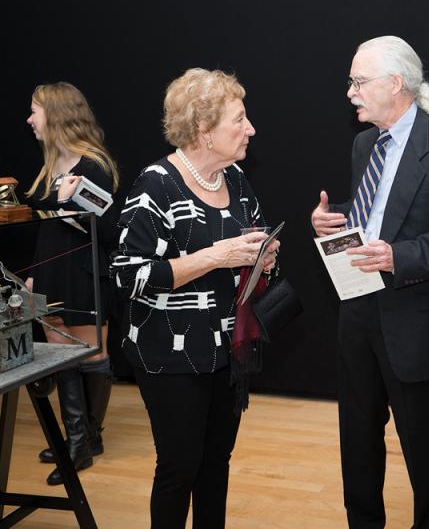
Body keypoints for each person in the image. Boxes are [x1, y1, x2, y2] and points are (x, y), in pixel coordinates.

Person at [311, 36, 429, 529]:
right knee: (357, 435)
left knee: (421, 444)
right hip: (357, 308)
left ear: (395, 83)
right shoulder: (364, 143)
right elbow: (376, 213)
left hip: (415, 318)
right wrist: (332, 219)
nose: (350, 92)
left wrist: (398, 256)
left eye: (358, 81)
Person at [111, 68, 279, 529]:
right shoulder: (156, 185)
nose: (251, 129)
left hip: (228, 350)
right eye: (239, 120)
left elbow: (252, 245)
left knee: (216, 462)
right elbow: (128, 275)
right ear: (204, 131)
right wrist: (216, 256)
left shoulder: (236, 179)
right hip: (169, 354)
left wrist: (264, 257)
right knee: (179, 467)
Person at [25, 82, 119, 486]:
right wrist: (35, 273)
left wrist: (68, 204)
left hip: (82, 272)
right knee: (62, 356)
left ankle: (83, 442)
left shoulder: (94, 166)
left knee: (90, 356)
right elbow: (45, 230)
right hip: (51, 272)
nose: (29, 119)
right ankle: (79, 441)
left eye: (34, 111)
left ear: (56, 114)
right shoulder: (49, 168)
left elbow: (110, 231)